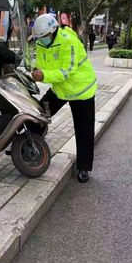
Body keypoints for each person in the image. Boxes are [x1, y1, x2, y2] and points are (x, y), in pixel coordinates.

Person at [31, 14, 97, 183]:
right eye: (39, 37)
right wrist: (35, 70)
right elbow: (40, 64)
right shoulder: (40, 43)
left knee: (84, 130)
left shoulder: (69, 41)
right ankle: (29, 145)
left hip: (81, 91)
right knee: (37, 114)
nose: (41, 40)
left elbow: (68, 71)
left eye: (44, 36)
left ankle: (83, 168)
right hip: (60, 89)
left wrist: (44, 75)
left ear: (53, 31)